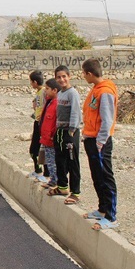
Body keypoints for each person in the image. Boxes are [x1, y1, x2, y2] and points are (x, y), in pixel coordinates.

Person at [81, 58, 119, 230]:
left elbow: (107, 119)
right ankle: (102, 209)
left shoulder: (105, 92)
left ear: (89, 73)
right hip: (91, 138)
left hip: (99, 141)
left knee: (105, 176)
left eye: (84, 73)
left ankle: (111, 216)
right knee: (97, 176)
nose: (83, 77)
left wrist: (100, 142)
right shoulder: (96, 90)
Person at [48, 65, 82, 205]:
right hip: (60, 131)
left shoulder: (72, 93)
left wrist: (72, 130)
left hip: (69, 132)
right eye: (58, 77)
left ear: (69, 77)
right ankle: (62, 187)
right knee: (60, 160)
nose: (61, 79)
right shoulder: (61, 93)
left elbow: (75, 112)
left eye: (64, 76)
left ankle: (75, 192)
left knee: (72, 162)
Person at [39, 78, 61, 189]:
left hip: (51, 138)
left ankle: (55, 181)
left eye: (47, 89)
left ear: (55, 90)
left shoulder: (56, 104)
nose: (45, 91)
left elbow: (56, 122)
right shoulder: (49, 102)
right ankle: (53, 180)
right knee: (49, 160)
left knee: (53, 162)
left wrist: (52, 135)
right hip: (46, 137)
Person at [28, 70, 48, 182]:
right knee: (34, 150)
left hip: (42, 124)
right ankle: (38, 170)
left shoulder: (44, 92)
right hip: (37, 122)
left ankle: (45, 173)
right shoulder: (39, 92)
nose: (31, 84)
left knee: (42, 149)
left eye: (31, 82)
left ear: (35, 82)